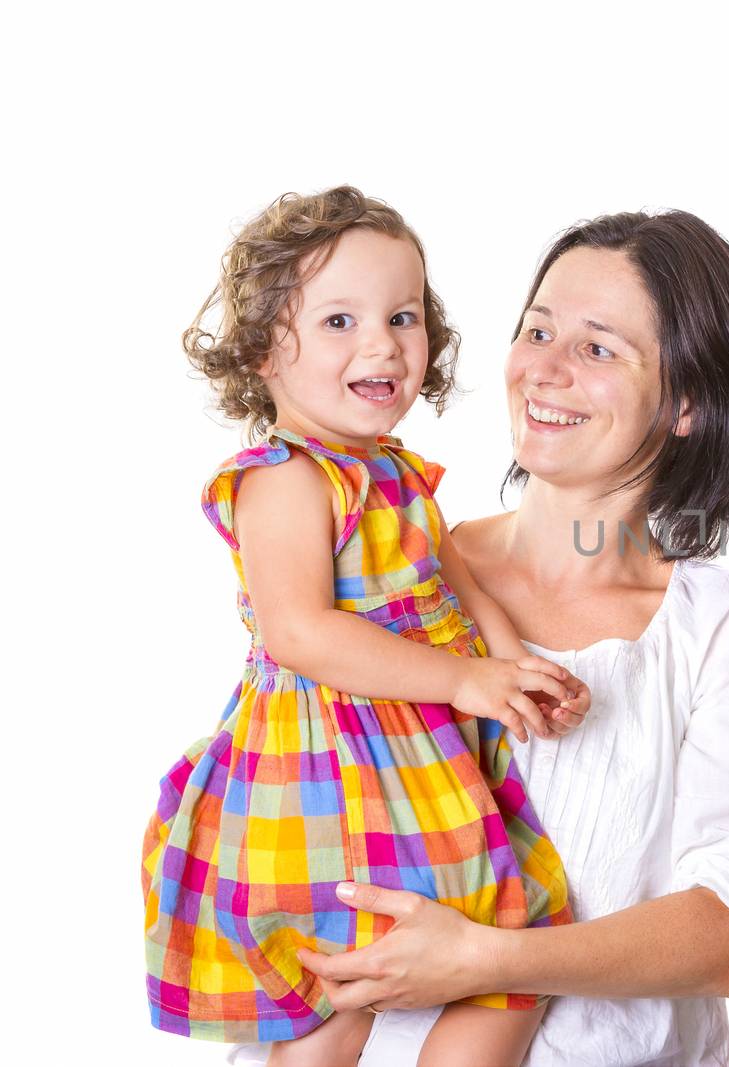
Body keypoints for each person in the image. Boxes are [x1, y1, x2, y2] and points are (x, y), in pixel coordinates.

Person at [273, 210, 729, 1067]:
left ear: (687, 403)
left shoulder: (727, 633)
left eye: (599, 348)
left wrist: (489, 960)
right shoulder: (390, 571)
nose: (544, 370)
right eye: (538, 331)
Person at [142, 186, 589, 1067]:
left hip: (416, 763)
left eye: (403, 316)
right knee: (339, 998)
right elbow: (300, 632)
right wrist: (465, 680)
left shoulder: (395, 472)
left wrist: (511, 660)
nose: (384, 342)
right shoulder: (286, 478)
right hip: (323, 774)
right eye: (341, 320)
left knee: (495, 949)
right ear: (267, 347)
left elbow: (454, 582)